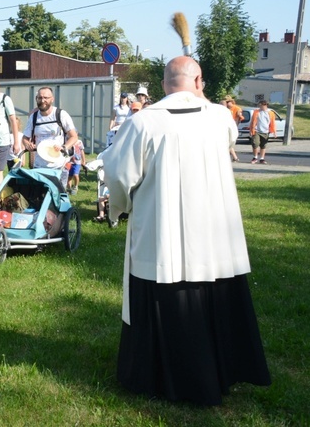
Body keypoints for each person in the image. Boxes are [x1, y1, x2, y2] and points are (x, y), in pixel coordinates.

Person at [101, 56, 270, 405]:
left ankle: (156, 376)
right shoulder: (220, 117)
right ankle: (222, 371)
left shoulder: (143, 122)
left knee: (165, 286)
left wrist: (121, 206)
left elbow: (117, 175)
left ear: (164, 85)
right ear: (200, 82)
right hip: (215, 235)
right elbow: (223, 138)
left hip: (162, 234)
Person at [21, 87, 78, 191]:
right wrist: (27, 144)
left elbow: (74, 136)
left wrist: (64, 147)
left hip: (59, 165)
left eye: (46, 98)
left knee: (58, 196)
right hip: (39, 165)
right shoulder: (33, 117)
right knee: (40, 196)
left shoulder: (61, 115)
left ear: (52, 99)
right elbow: (25, 138)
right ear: (36, 99)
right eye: (40, 98)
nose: (43, 101)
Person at [249, 100, 275, 165]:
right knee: (255, 143)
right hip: (256, 130)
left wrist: (273, 131)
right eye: (259, 105)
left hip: (266, 131)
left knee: (263, 145)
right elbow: (252, 121)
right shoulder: (256, 112)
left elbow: (273, 122)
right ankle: (255, 157)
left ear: (265, 105)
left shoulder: (270, 113)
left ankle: (262, 159)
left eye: (261, 105)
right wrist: (251, 130)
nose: (260, 107)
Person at [223, 95, 245, 162]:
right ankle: (234, 158)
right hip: (226, 127)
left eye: (227, 102)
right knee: (228, 143)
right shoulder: (225, 109)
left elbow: (241, 118)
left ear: (231, 102)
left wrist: (240, 115)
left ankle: (234, 157)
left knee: (230, 142)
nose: (226, 104)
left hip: (233, 127)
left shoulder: (237, 108)